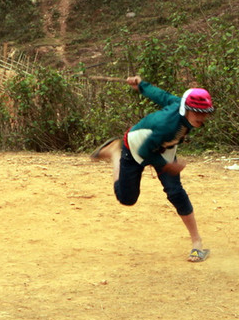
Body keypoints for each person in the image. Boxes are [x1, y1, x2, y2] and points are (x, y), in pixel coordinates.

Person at [91, 76, 214, 262]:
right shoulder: (167, 126)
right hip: (134, 148)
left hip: (164, 148)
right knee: (126, 199)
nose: (201, 117)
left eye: (204, 113)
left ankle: (197, 242)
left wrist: (141, 85)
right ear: (187, 109)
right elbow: (144, 151)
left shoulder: (180, 105)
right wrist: (168, 166)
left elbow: (161, 96)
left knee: (176, 192)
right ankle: (115, 153)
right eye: (197, 112)